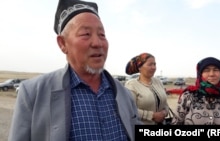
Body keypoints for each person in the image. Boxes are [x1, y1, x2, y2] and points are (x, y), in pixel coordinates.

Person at [8, 0, 142, 141]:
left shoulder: (124, 94)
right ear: (63, 43)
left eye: (102, 35)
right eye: (86, 34)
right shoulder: (33, 94)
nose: (97, 43)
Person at [171, 57, 220, 125]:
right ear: (200, 74)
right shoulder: (188, 96)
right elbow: (176, 122)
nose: (211, 74)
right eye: (206, 70)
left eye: (216, 70)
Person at [124, 52, 169, 125]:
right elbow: (129, 109)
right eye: (150, 64)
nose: (153, 67)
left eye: (154, 64)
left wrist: (164, 112)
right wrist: (152, 116)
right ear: (140, 67)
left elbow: (165, 104)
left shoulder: (158, 82)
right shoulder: (131, 85)